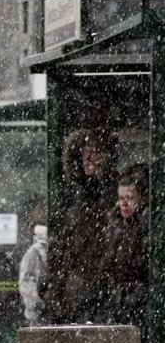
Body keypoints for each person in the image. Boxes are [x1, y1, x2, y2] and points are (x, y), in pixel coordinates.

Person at [41, 129, 118, 323]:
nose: (90, 158)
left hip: (97, 289)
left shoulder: (112, 193)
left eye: (94, 152)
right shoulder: (70, 197)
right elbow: (59, 248)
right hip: (74, 290)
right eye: (86, 152)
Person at [97, 166, 149, 343]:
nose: (124, 203)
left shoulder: (144, 226)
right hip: (118, 301)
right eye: (121, 198)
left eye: (130, 198)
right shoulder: (114, 227)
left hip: (137, 302)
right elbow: (106, 266)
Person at [19, 224, 48, 326]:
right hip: (40, 310)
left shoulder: (32, 252)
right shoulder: (34, 252)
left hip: (38, 310)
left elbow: (25, 281)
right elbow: (26, 281)